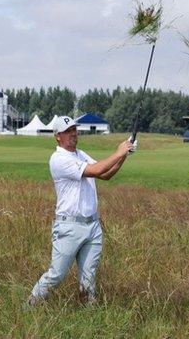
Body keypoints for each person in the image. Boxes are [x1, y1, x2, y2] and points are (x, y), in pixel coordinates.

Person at [26, 116, 135, 308]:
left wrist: (125, 154)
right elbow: (96, 170)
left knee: (88, 279)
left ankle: (89, 314)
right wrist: (119, 152)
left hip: (92, 225)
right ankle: (28, 307)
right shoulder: (58, 159)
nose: (73, 134)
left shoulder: (80, 154)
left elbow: (106, 174)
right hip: (69, 226)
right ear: (58, 136)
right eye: (68, 131)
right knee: (56, 275)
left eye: (75, 129)